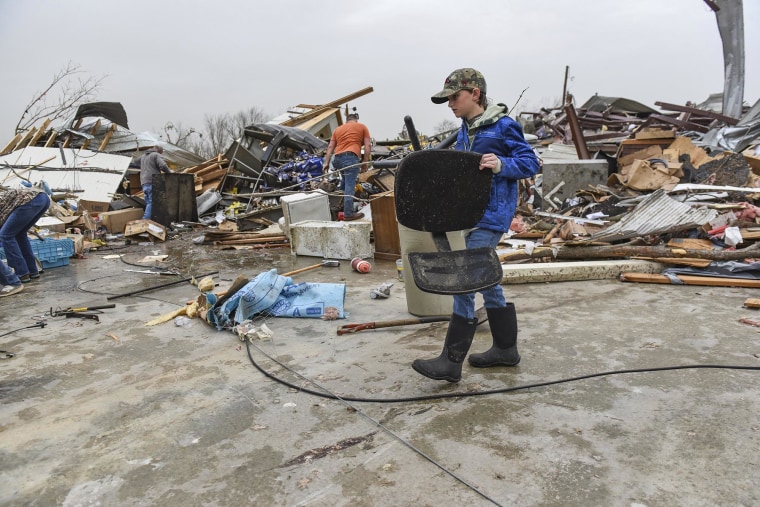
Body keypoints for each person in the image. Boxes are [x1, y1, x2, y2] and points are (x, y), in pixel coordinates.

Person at [412, 68, 541, 383]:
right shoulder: (463, 131)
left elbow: (531, 162)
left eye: (455, 97)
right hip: (470, 215)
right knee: (484, 279)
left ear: (475, 94)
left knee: (465, 278)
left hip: (492, 215)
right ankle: (505, 349)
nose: (450, 104)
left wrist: (501, 164)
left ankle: (450, 362)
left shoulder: (503, 126)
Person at [322, 112, 372, 221]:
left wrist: (326, 162)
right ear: (356, 120)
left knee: (344, 183)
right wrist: (365, 161)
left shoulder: (338, 129)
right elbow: (368, 145)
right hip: (350, 157)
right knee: (350, 184)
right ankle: (348, 214)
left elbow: (330, 147)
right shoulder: (362, 127)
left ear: (347, 120)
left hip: (337, 159)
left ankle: (336, 209)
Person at [0, 184, 51, 284]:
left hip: (29, 201)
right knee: (20, 234)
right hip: (43, 199)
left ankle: (21, 273)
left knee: (5, 236)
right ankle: (32, 270)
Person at [136, 145, 173, 220]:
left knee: (148, 202)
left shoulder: (143, 156)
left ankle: (153, 220)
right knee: (152, 202)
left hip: (143, 182)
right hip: (152, 181)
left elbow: (136, 161)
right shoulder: (156, 155)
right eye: (161, 153)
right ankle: (145, 220)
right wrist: (169, 173)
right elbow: (163, 165)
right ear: (159, 151)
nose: (161, 154)